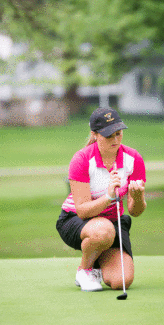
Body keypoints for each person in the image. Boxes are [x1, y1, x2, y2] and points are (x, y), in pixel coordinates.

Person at [56, 107, 147, 292]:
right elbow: (82, 210)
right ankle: (85, 270)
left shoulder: (133, 159)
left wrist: (137, 198)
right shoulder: (82, 159)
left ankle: (98, 256)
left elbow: (135, 211)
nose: (115, 140)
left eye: (118, 134)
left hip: (113, 224)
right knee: (103, 231)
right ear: (95, 135)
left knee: (122, 281)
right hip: (76, 221)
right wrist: (108, 197)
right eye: (108, 136)